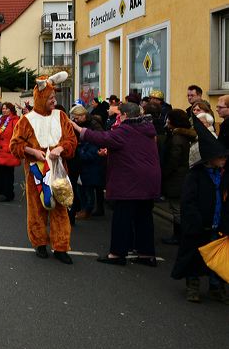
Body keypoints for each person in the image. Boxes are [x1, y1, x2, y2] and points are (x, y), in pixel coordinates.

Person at [72, 102, 161, 266]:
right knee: (144, 217)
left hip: (130, 181)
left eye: (119, 115)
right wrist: (111, 151)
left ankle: (117, 254)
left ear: (125, 116)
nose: (117, 118)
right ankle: (146, 254)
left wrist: (78, 129)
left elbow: (101, 138)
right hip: (149, 180)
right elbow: (131, 149)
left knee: (122, 217)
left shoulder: (126, 130)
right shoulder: (146, 129)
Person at [9, 72, 77, 264]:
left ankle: (61, 247)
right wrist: (32, 151)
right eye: (50, 98)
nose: (53, 101)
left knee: (60, 209)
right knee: (37, 209)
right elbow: (14, 145)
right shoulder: (26, 120)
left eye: (54, 98)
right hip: (36, 172)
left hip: (58, 170)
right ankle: (39, 244)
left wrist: (61, 148)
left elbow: (71, 140)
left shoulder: (61, 116)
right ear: (40, 98)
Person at [170, 120, 229, 303]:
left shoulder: (223, 175)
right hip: (199, 224)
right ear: (210, 158)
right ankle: (193, 286)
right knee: (194, 257)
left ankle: (216, 287)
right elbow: (188, 201)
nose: (224, 160)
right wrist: (194, 221)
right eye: (221, 157)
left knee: (216, 258)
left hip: (218, 223)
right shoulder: (195, 176)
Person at [161, 109, 197, 245]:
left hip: (177, 178)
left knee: (177, 209)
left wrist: (165, 173)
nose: (167, 121)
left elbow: (173, 160)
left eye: (168, 119)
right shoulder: (184, 136)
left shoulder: (177, 138)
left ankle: (179, 236)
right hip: (181, 176)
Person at [68, 105, 106, 220]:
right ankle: (86, 209)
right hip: (85, 157)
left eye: (77, 118)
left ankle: (89, 210)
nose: (75, 120)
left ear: (83, 115)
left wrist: (82, 151)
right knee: (84, 186)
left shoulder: (94, 125)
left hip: (92, 158)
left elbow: (99, 140)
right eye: (73, 118)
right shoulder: (85, 123)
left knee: (89, 187)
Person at [0, 102, 20, 202]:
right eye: (3, 108)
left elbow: (17, 136)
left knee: (8, 174)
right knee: (1, 173)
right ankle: (3, 192)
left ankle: (8, 194)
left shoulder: (15, 121)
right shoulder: (0, 120)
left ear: (11, 110)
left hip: (8, 151)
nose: (4, 110)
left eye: (6, 109)